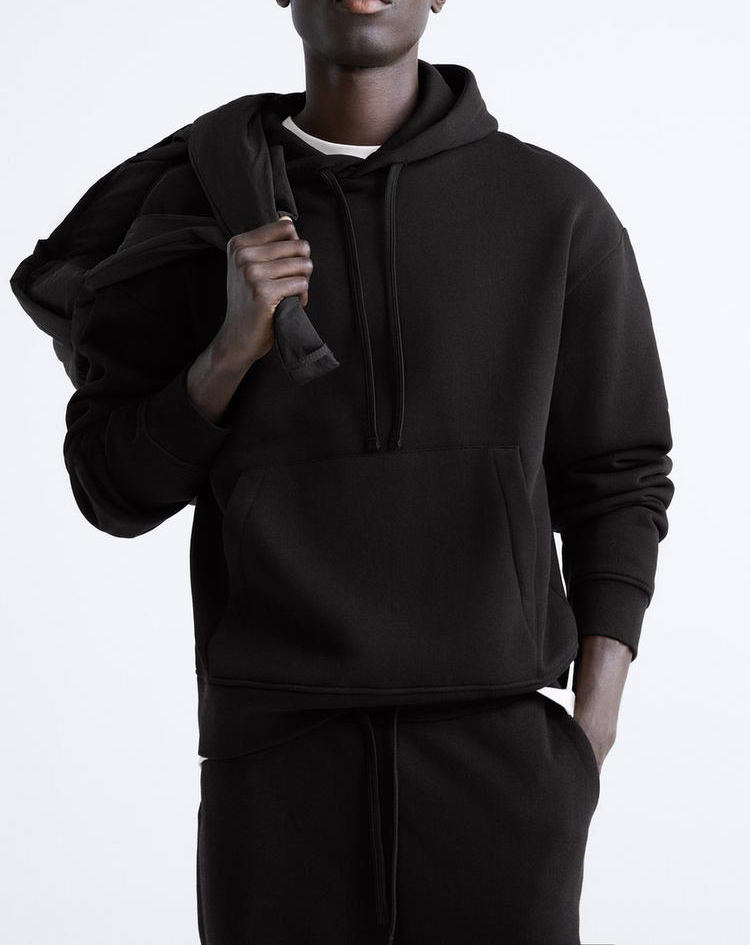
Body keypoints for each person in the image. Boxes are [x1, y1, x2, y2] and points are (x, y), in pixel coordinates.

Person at [17, 1, 675, 942]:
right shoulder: (202, 208)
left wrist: (592, 725)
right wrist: (227, 353)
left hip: (500, 766)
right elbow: (109, 489)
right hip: (273, 763)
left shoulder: (553, 208)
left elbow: (620, 474)